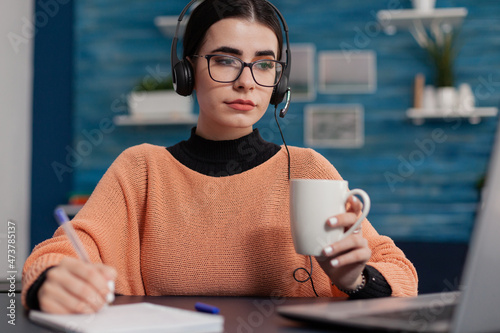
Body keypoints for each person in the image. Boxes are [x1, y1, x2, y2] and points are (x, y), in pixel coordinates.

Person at [22, 0, 418, 314]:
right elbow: (55, 255)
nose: (246, 80)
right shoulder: (141, 169)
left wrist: (357, 279)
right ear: (187, 70)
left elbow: (400, 273)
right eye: (226, 60)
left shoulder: (308, 169)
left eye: (264, 64)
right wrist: (52, 281)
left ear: (278, 82)